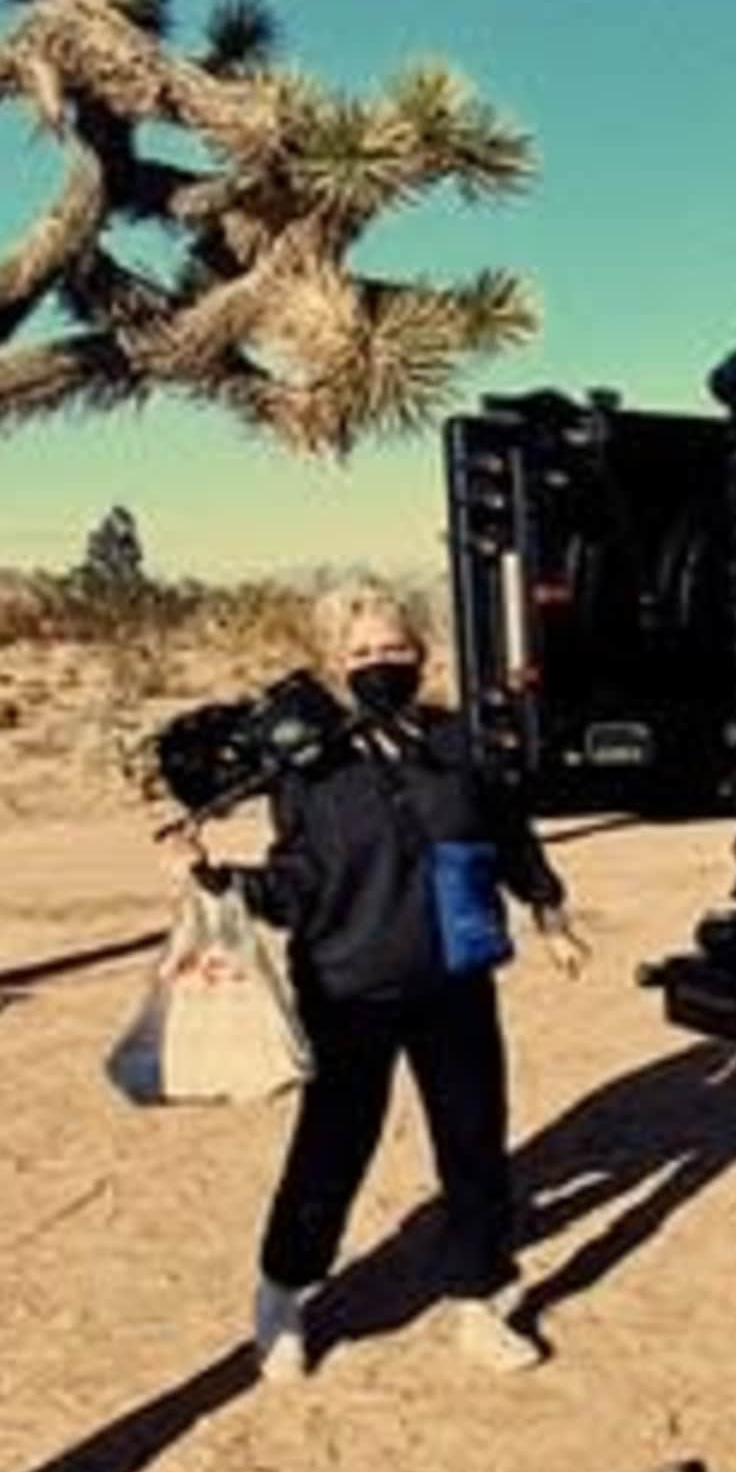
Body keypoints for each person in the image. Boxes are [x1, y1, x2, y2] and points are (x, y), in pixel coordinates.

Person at [193, 583, 586, 1378]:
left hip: (453, 977)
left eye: (394, 649)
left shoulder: (454, 741)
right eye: (363, 652)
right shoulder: (312, 764)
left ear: (422, 654)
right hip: (350, 987)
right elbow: (298, 880)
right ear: (336, 664)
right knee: (335, 1145)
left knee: (473, 1143)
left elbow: (505, 830)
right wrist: (219, 880)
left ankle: (479, 1298)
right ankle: (284, 1292)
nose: (381, 664)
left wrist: (548, 912)